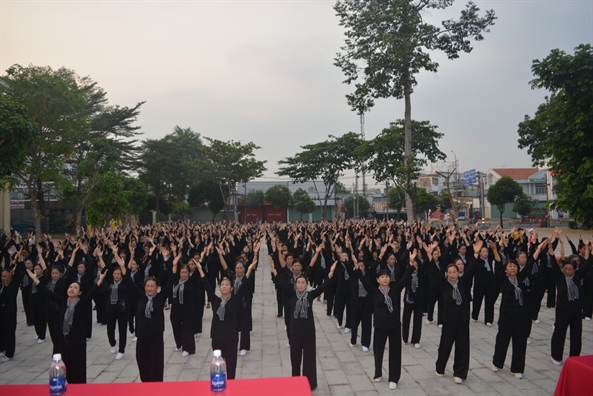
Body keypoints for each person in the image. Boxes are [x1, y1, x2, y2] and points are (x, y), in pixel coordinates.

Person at [26, 266, 107, 383]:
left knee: (78, 370)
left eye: (75, 288)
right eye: (70, 287)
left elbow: (92, 293)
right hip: (64, 340)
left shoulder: (81, 304)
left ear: (80, 292)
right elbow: (48, 293)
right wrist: (35, 279)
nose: (72, 289)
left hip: (78, 342)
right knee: (67, 369)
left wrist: (100, 280)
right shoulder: (63, 302)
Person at [269, 256, 337, 390]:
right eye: (298, 283)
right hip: (295, 331)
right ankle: (295, 382)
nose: (300, 284)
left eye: (303, 283)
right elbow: (280, 284)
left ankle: (309, 382)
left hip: (308, 331)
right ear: (295, 284)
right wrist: (273, 270)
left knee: (309, 359)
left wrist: (330, 273)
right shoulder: (292, 294)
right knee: (295, 359)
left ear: (306, 285)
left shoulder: (311, 295)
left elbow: (324, 286)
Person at [355, 250, 415, 390]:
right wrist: (356, 266)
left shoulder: (395, 290)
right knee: (378, 350)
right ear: (377, 280)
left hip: (394, 326)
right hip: (380, 326)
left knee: (395, 352)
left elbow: (406, 277)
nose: (385, 279)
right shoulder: (374, 291)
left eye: (387, 276)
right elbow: (363, 279)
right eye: (382, 277)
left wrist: (411, 263)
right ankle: (377, 372)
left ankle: (394, 377)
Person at [492, 239, 547, 378]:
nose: (513, 268)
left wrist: (538, 249)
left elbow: (529, 265)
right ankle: (498, 362)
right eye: (510, 266)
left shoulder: (520, 278)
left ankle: (517, 369)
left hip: (521, 315)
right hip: (507, 315)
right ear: (506, 270)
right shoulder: (503, 280)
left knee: (520, 341)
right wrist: (494, 250)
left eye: (514, 266)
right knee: (503, 340)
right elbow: (498, 264)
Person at [197, 254, 257, 380]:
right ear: (220, 288)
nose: (224, 286)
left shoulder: (235, 299)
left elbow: (244, 285)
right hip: (217, 337)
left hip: (231, 338)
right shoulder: (215, 300)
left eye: (226, 285)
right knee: (218, 366)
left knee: (231, 366)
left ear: (231, 288)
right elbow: (206, 285)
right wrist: (200, 269)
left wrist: (250, 269)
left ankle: (231, 385)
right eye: (222, 285)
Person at [116, 255, 175, 382]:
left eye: (152, 286)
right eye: (147, 286)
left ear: (157, 287)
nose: (149, 288)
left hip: (156, 336)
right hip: (142, 335)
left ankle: (157, 388)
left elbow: (171, 280)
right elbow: (128, 280)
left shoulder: (160, 297)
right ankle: (145, 386)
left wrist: (172, 264)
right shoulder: (140, 296)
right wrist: (122, 266)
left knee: (156, 364)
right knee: (143, 363)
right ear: (144, 287)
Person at [434, 239, 478, 385]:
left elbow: (471, 269)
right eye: (450, 272)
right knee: (445, 345)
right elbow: (434, 269)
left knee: (462, 346)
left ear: (459, 273)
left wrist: (476, 254)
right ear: (446, 273)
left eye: (455, 272)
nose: (453, 274)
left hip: (463, 319)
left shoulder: (463, 282)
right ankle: (440, 367)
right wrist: (432, 256)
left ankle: (459, 372)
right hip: (449, 320)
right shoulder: (444, 284)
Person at [548, 238, 591, 365]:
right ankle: (556, 355)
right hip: (562, 309)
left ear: (574, 270)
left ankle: (574, 357)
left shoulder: (578, 276)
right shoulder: (560, 277)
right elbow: (555, 266)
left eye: (570, 269)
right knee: (559, 333)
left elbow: (588, 264)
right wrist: (551, 252)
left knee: (576, 335)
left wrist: (589, 247)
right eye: (565, 269)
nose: (567, 271)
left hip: (576, 311)